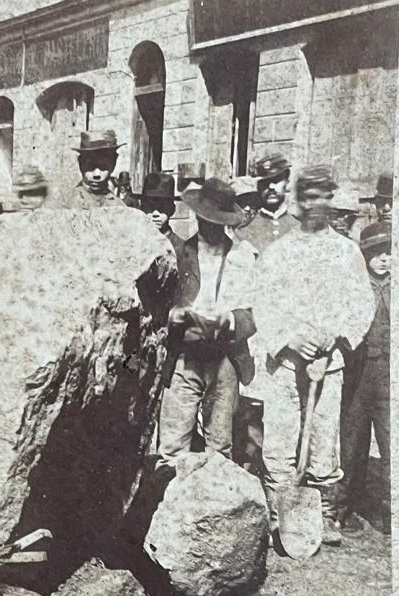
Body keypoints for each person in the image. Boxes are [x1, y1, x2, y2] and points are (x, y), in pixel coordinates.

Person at [250, 165, 376, 549]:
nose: (316, 204)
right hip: (285, 363)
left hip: (328, 362)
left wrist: (335, 337)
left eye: (323, 196)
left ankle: (323, 514)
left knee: (323, 440)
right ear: (298, 201)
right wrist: (290, 339)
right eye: (308, 196)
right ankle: (279, 513)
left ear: (330, 200)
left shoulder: (345, 251)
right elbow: (263, 303)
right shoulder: (279, 252)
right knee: (281, 438)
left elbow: (361, 303)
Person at [157, 178, 259, 466]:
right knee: (173, 444)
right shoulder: (178, 253)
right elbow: (160, 307)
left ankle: (216, 507)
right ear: (197, 216)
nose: (210, 227)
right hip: (184, 357)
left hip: (225, 358)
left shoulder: (243, 256)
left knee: (220, 446)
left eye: (218, 221)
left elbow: (256, 310)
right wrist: (174, 317)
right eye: (206, 220)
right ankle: (174, 505)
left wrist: (229, 320)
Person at [340, 221, 391, 535]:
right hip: (357, 377)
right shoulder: (356, 287)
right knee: (351, 444)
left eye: (389, 253)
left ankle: (389, 513)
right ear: (364, 255)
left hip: (387, 378)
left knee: (390, 445)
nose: (384, 259)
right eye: (376, 253)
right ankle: (343, 508)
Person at [248, 152, 299, 253]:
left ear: (286, 182)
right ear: (258, 186)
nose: (271, 187)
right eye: (265, 182)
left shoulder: (298, 227)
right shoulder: (245, 231)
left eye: (276, 180)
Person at [61, 129, 124, 209]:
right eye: (90, 166)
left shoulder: (119, 207)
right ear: (80, 164)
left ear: (113, 164)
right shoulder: (66, 203)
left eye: (103, 166)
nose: (97, 174)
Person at [135, 172, 184, 257]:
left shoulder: (180, 248)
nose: (156, 214)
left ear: (172, 210)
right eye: (150, 207)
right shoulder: (135, 243)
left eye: (162, 207)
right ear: (141, 208)